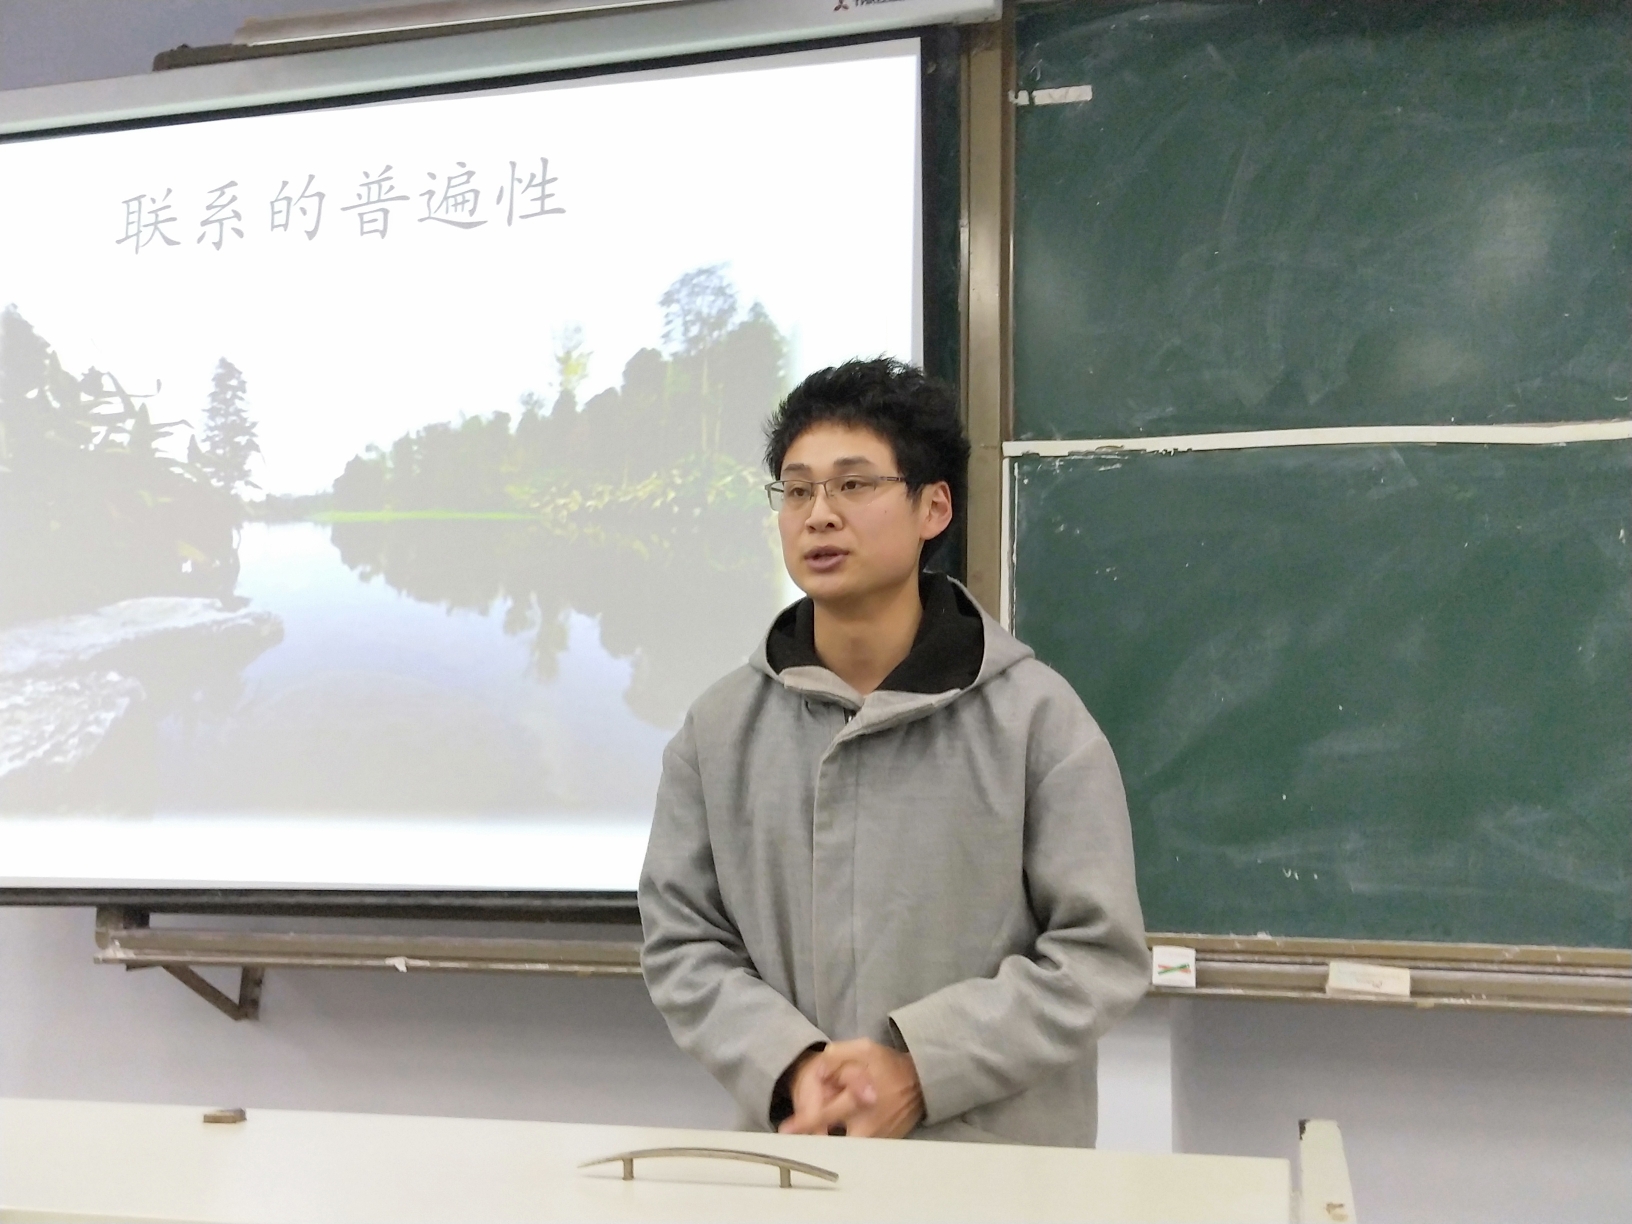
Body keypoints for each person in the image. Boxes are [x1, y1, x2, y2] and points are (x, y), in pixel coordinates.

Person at [638, 357, 1149, 1146]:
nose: (819, 515)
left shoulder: (1036, 720)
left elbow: (1097, 956)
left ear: (933, 507)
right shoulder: (719, 729)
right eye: (797, 490)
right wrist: (795, 1066)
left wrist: (921, 1070)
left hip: (992, 1171)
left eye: (854, 484)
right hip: (800, 1158)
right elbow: (683, 942)